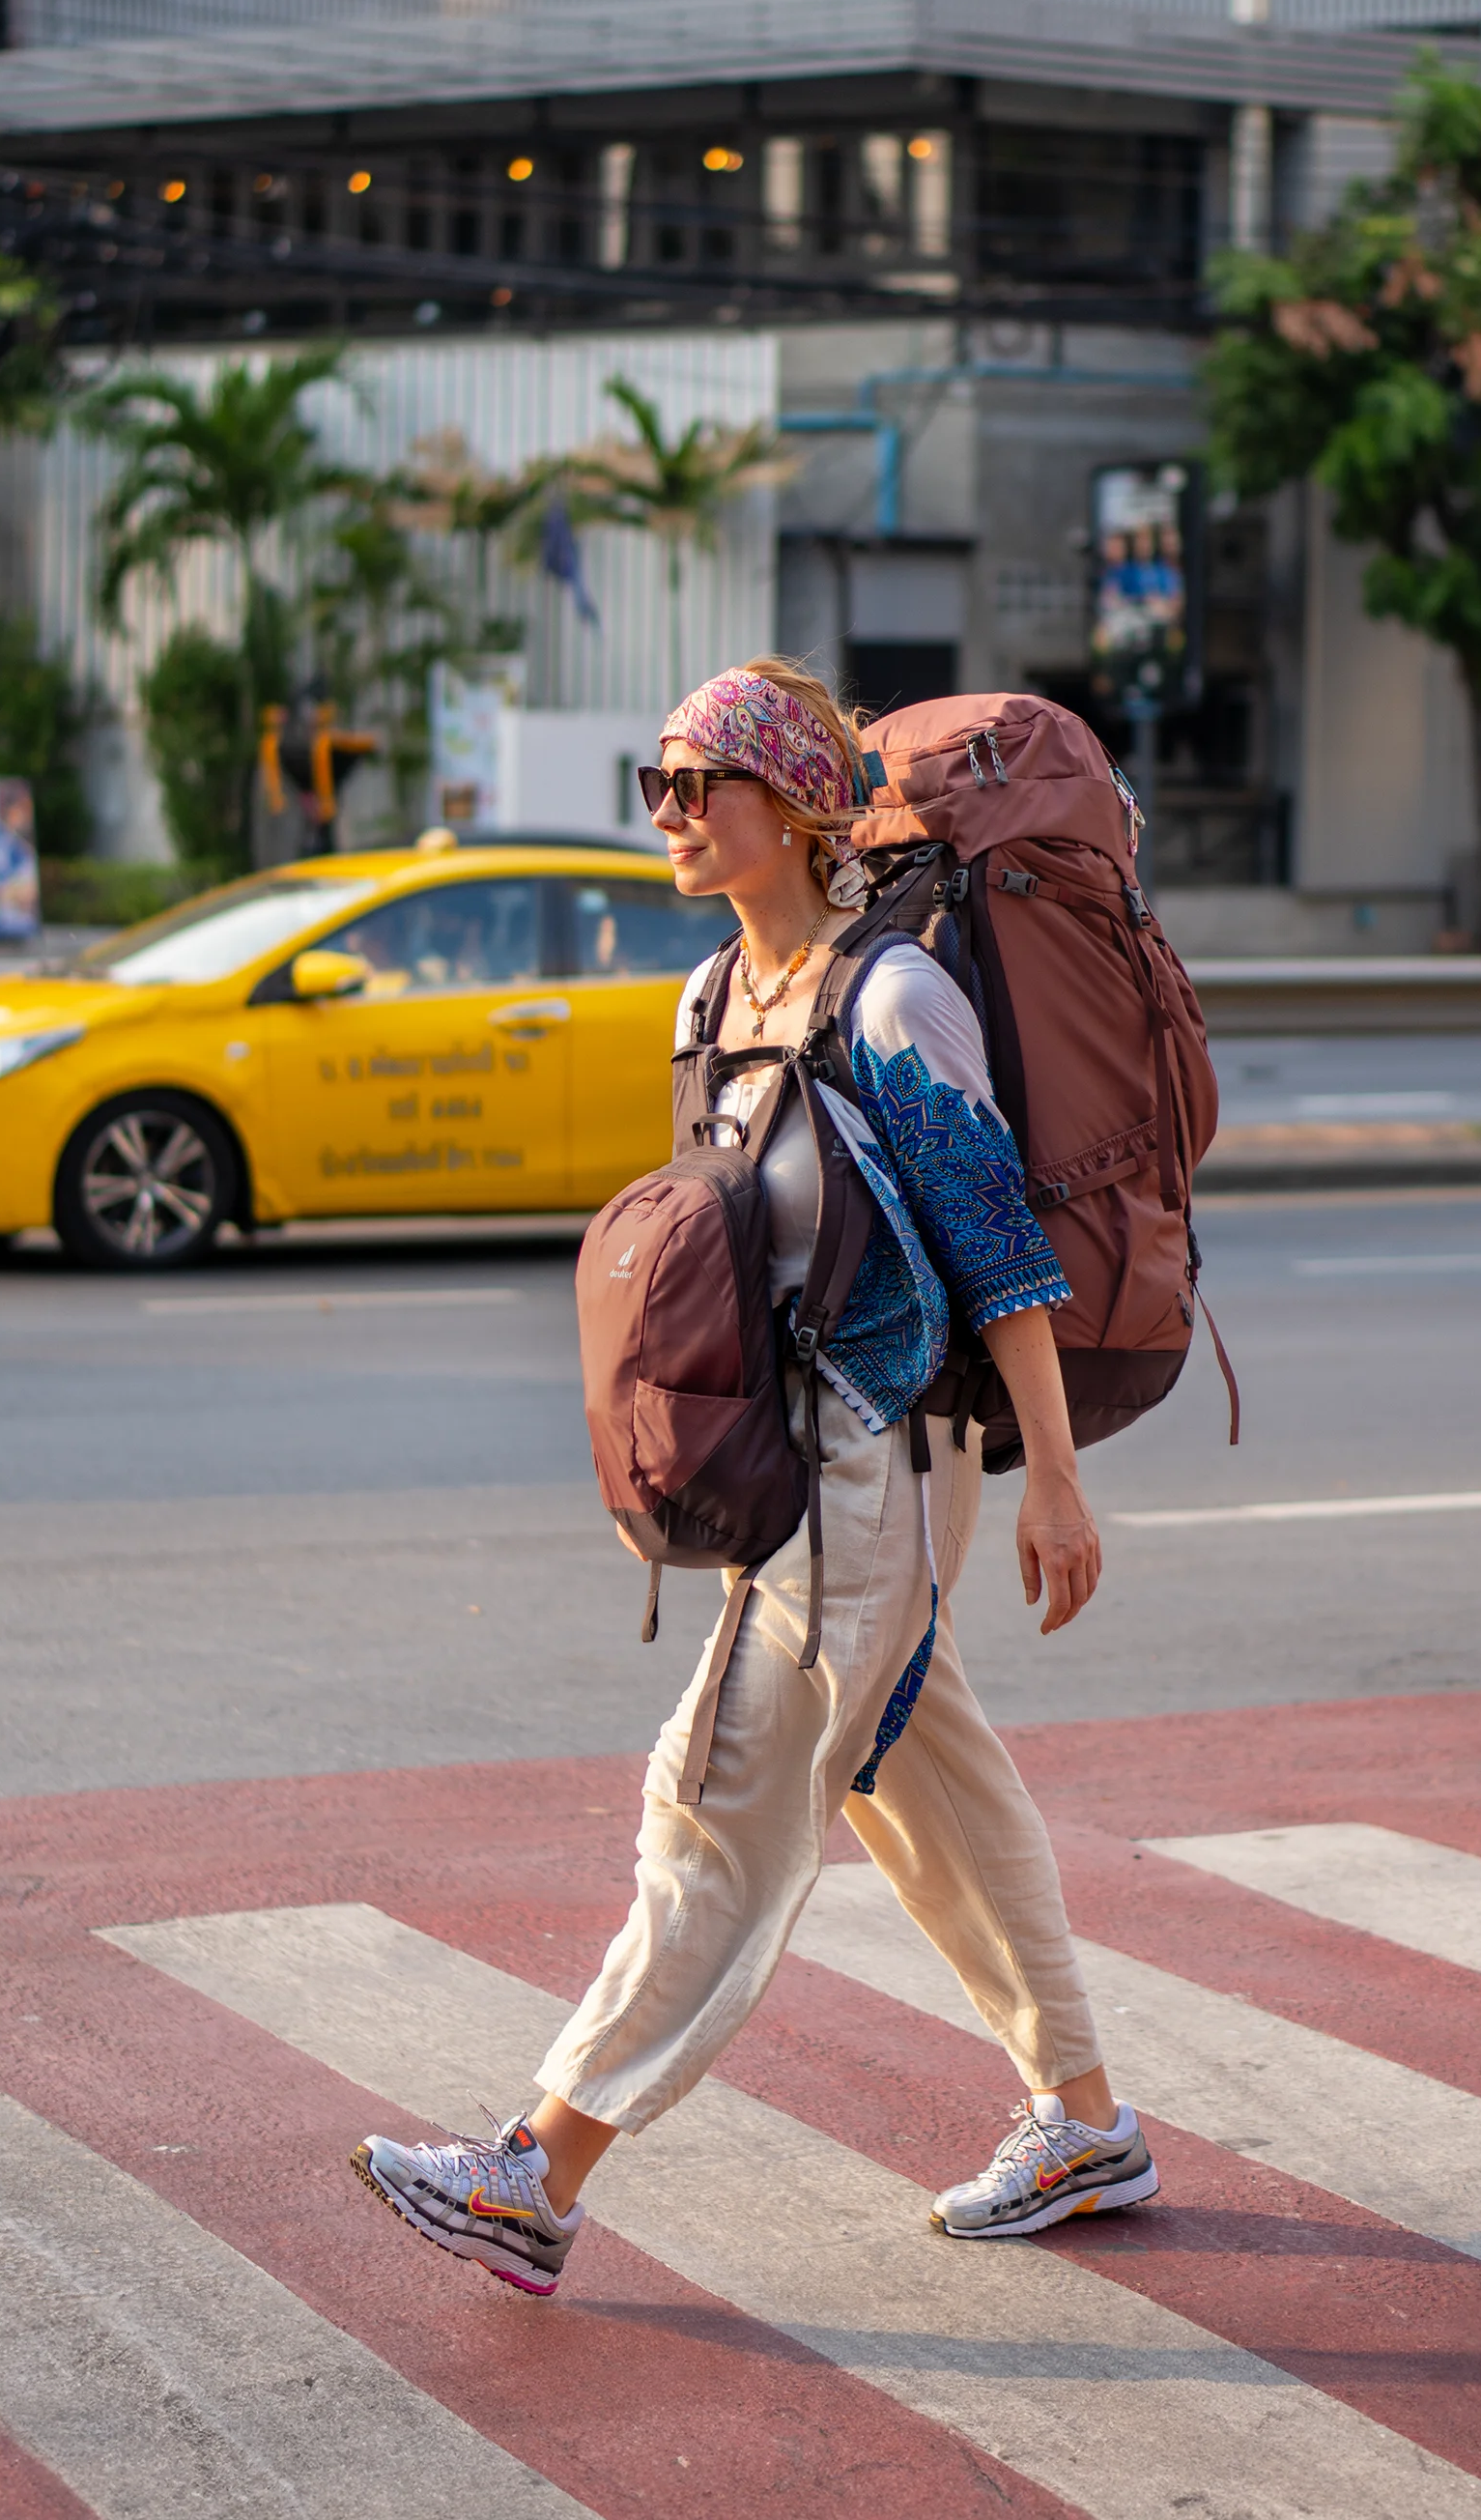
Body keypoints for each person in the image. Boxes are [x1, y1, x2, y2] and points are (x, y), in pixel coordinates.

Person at [352, 658, 1157, 2293]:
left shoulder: (890, 1004)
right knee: (932, 1791)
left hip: (880, 1460)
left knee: (716, 1802)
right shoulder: (712, 1000)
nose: (665, 814)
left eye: (692, 784)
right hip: (793, 1469)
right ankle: (1084, 2117)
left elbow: (1002, 1260)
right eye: (653, 784)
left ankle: (542, 2168)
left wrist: (1057, 1481)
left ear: (790, 808)